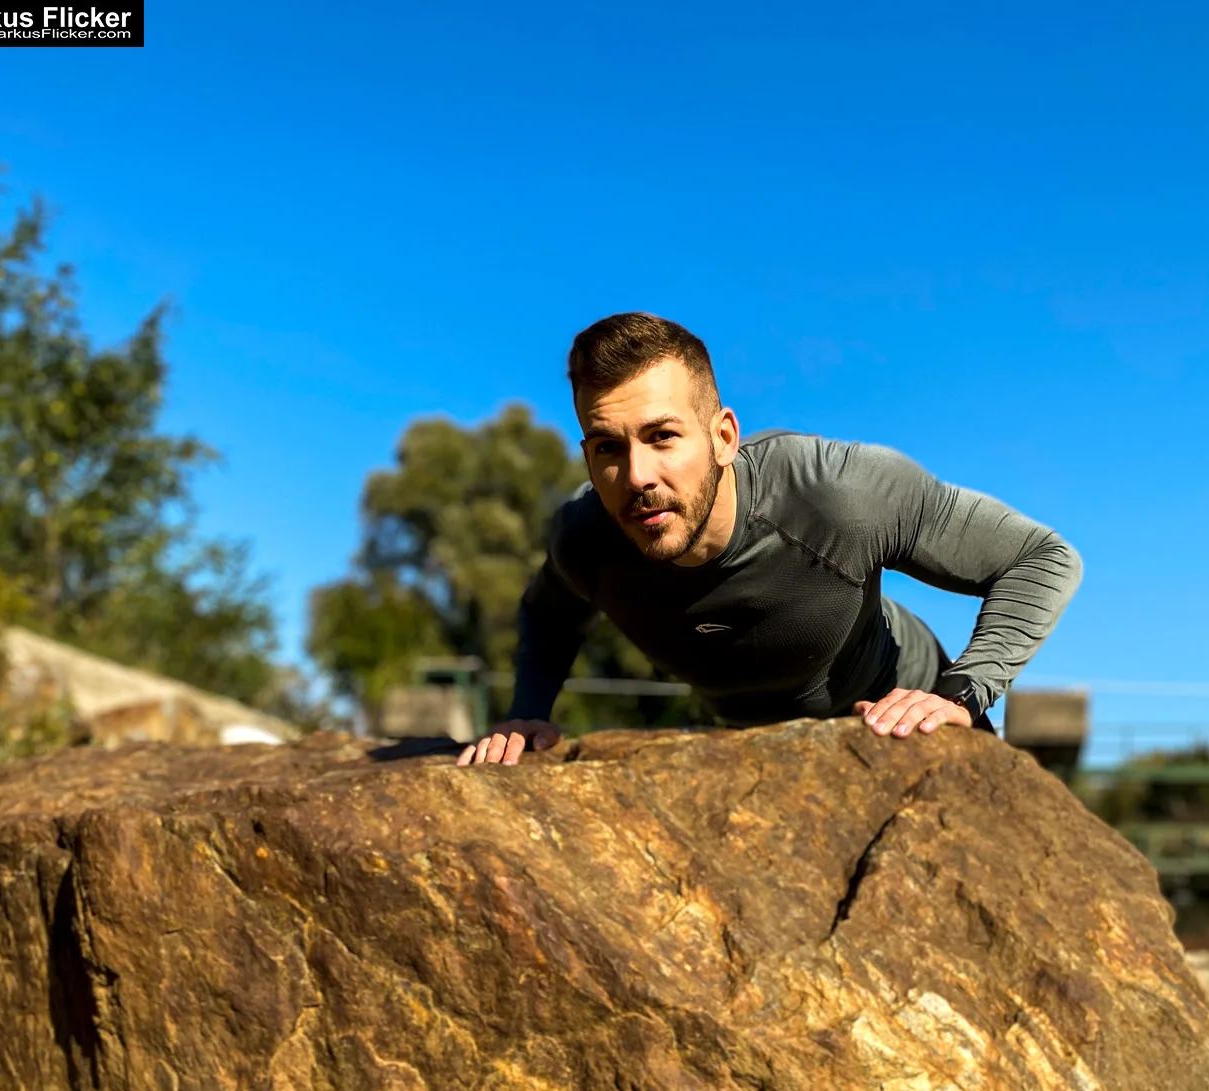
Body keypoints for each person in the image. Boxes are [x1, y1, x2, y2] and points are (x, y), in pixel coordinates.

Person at [457, 313, 1081, 767]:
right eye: (607, 448)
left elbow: (1042, 558)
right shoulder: (585, 540)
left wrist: (962, 693)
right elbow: (547, 617)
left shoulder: (838, 493)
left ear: (724, 437)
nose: (638, 476)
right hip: (749, 752)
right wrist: (528, 713)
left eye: (663, 437)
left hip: (898, 730)